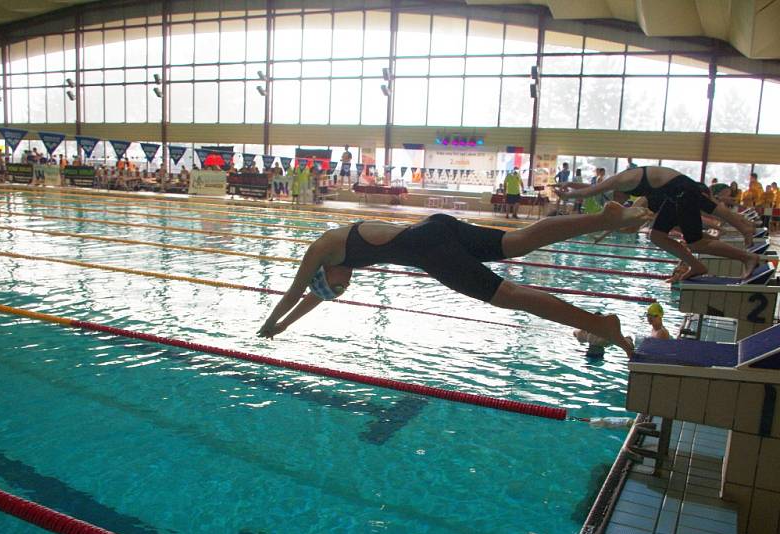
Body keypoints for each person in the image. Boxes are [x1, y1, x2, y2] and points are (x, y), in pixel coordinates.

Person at [257, 202, 655, 356]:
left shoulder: (321, 249)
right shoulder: (338, 261)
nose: (347, 286)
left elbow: (296, 292)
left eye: (340, 286)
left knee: (511, 294)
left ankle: (598, 324)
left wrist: (271, 322)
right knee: (520, 241)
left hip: (430, 249)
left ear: (324, 274)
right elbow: (313, 298)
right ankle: (604, 219)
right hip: (437, 228)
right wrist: (287, 328)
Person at [557, 166, 760, 281]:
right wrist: (568, 185)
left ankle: (746, 257)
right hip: (674, 195)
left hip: (680, 191)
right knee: (657, 236)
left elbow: (589, 191)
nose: (619, 202)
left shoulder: (622, 182)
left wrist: (568, 195)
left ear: (616, 193)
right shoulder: (622, 182)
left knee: (696, 241)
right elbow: (592, 187)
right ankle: (697, 264)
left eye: (616, 200)